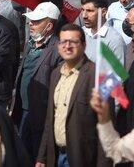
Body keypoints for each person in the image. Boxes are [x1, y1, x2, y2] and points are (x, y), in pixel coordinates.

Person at [36, 23, 109, 167]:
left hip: (82, 158)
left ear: (84, 45)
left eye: (73, 42)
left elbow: (107, 128)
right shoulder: (55, 74)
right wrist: (42, 157)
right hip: (55, 155)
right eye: (63, 42)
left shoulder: (98, 76)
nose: (67, 46)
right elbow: (50, 119)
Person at [11, 2, 63, 161]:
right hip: (21, 110)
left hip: (40, 115)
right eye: (31, 21)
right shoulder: (30, 44)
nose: (31, 24)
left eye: (36, 21)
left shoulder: (58, 49)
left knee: (37, 157)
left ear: (49, 26)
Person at [81, 0, 126, 65]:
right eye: (83, 10)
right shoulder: (81, 32)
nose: (84, 16)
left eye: (89, 11)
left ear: (103, 12)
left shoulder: (114, 40)